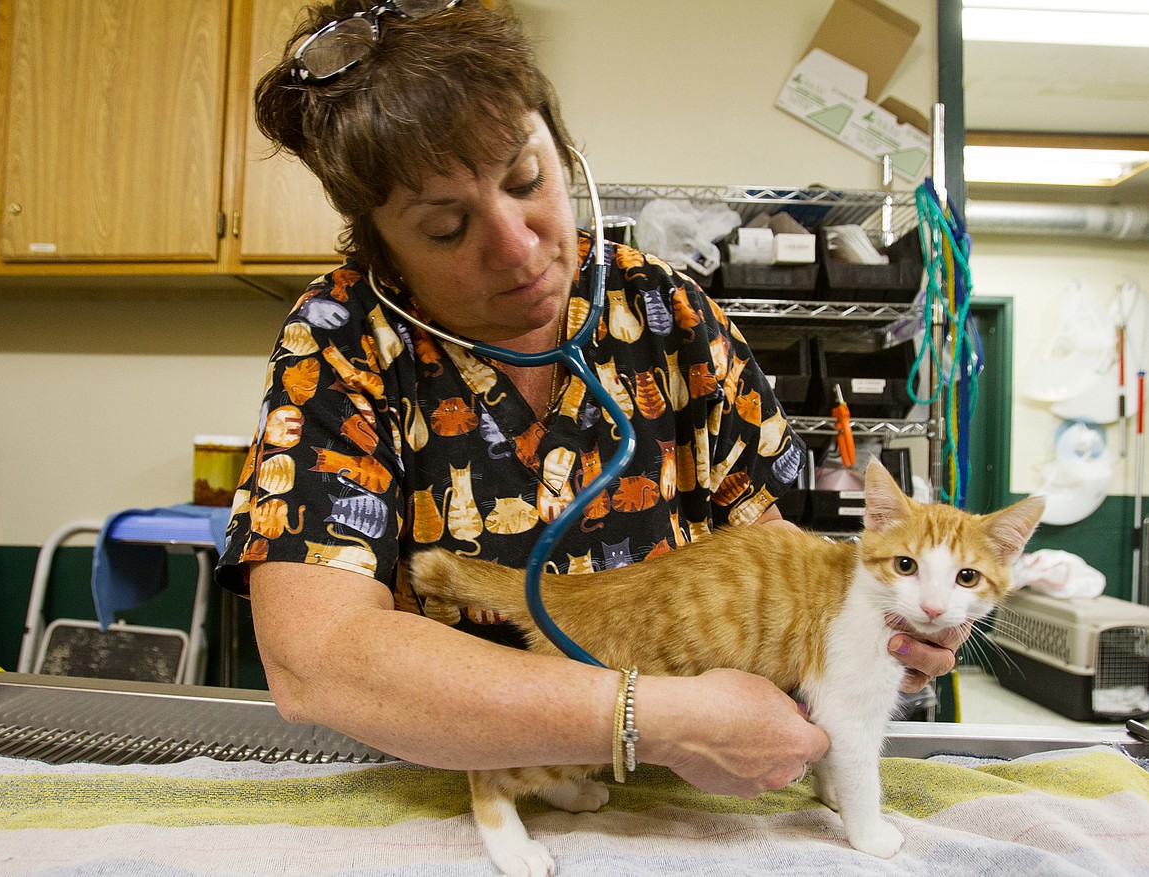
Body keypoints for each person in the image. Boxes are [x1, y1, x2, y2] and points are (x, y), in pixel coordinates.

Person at [217, 0, 965, 796]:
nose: (517, 246)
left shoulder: (669, 315)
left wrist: (884, 628)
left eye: (526, 179)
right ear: (383, 246)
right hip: (443, 790)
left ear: (561, 145)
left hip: (673, 793)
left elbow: (779, 579)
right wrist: (652, 714)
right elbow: (318, 658)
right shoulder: (343, 337)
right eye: (444, 229)